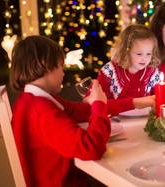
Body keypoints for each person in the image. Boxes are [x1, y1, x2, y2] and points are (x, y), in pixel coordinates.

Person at [10, 35, 110, 187]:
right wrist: (98, 105)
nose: (63, 73)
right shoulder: (41, 111)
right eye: (60, 66)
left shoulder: (31, 99)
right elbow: (91, 149)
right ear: (45, 65)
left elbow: (80, 110)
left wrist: (135, 103)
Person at [97, 24, 159, 113]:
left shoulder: (152, 72)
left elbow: (157, 97)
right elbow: (100, 103)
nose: (144, 59)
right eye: (139, 54)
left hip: (143, 120)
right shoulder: (109, 71)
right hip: (116, 121)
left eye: (148, 54)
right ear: (126, 52)